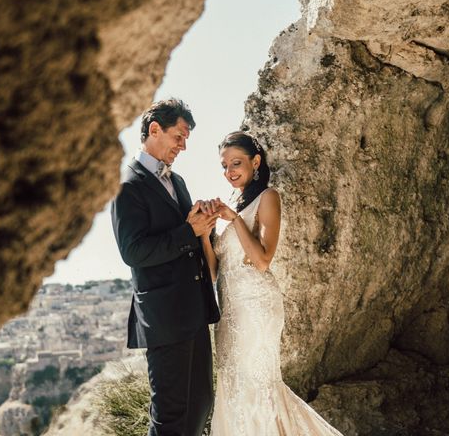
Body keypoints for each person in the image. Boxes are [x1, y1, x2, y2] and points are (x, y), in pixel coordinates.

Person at [199, 131, 344, 435]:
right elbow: (214, 272)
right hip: (229, 312)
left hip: (256, 309)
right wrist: (204, 230)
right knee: (232, 383)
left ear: (256, 161)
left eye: (236, 163)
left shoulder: (268, 197)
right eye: (224, 166)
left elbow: (263, 259)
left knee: (257, 385)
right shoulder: (231, 204)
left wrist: (234, 220)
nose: (230, 172)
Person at [111, 99, 220, 436]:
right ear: (154, 130)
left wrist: (206, 223)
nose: (183, 146)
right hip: (164, 318)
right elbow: (134, 251)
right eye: (179, 137)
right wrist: (190, 231)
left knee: (201, 403)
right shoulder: (127, 186)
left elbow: (188, 235)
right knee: (170, 416)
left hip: (195, 312)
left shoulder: (180, 182)